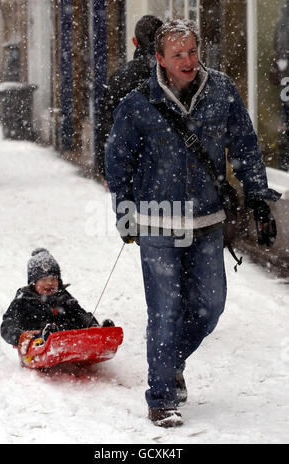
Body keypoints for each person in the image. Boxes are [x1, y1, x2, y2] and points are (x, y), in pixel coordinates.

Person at [105, 19, 281, 427]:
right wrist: (125, 212)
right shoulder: (139, 101)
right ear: (160, 59)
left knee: (210, 305)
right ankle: (161, 395)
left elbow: (245, 144)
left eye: (192, 52)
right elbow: (118, 162)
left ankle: (172, 361)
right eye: (178, 54)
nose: (187, 61)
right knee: (164, 310)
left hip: (206, 218)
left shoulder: (221, 90)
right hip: (156, 221)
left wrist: (257, 197)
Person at [94, 15, 163, 182]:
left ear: (134, 41)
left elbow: (106, 125)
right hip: (174, 169)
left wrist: (106, 169)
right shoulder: (177, 74)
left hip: (135, 170)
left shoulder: (120, 77)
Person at [1, 248, 114, 348]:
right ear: (33, 283)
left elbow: (79, 314)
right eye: (44, 279)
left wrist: (92, 325)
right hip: (36, 343)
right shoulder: (23, 300)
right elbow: (7, 325)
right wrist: (21, 335)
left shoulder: (63, 296)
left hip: (69, 340)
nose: (50, 283)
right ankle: (49, 338)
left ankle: (101, 334)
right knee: (46, 334)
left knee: (76, 319)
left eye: (53, 279)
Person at [270, 1, 289, 171]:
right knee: (285, 124)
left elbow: (278, 48)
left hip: (285, 80)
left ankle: (284, 166)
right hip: (286, 80)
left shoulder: (283, 20)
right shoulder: (284, 20)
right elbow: (279, 48)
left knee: (285, 125)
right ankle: (284, 167)